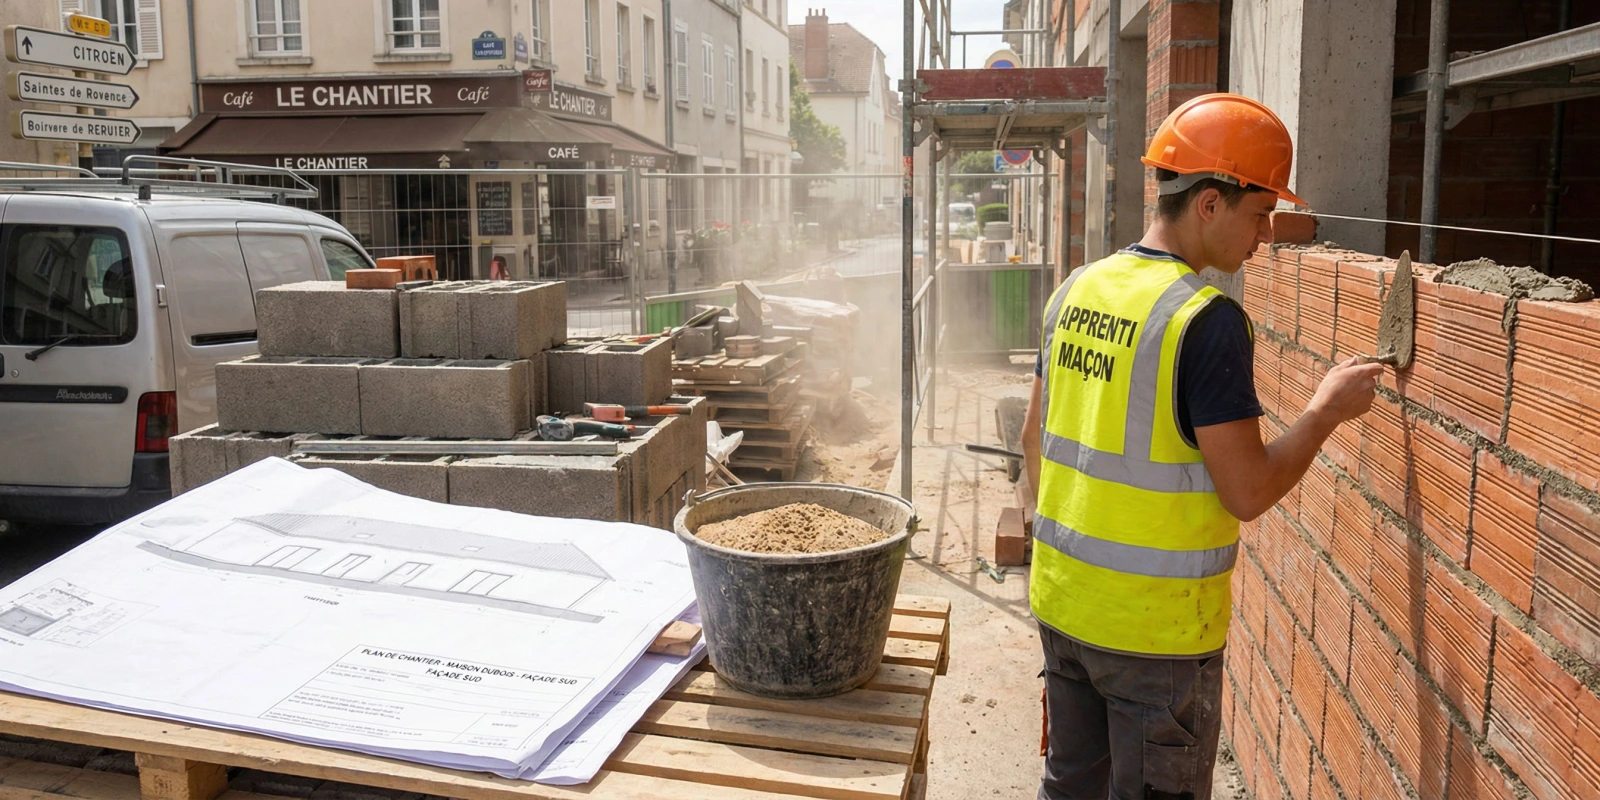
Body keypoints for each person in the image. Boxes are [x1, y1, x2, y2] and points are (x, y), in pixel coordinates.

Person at [1021, 93, 1385, 800]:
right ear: (1210, 203)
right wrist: (1325, 412)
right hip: (1153, 638)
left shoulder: (1077, 288)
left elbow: (1033, 438)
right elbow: (1247, 491)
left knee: (1069, 788)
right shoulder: (1204, 320)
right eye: (1260, 214)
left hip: (1063, 606)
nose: (1266, 236)